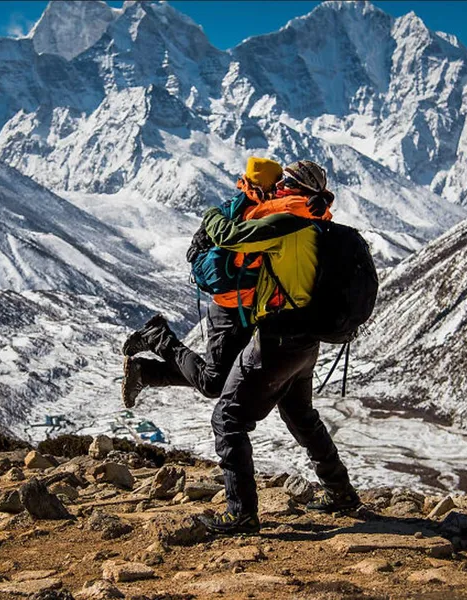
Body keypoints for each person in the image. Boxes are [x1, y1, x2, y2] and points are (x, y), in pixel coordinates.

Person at [192, 160, 361, 536]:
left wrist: (210, 213)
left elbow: (230, 236)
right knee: (301, 414)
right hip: (306, 340)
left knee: (228, 418)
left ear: (291, 187)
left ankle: (241, 513)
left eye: (283, 182)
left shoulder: (285, 222)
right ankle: (341, 493)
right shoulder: (319, 220)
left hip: (278, 337)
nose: (278, 187)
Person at [121, 157, 283, 407]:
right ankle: (157, 338)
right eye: (278, 184)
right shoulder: (256, 218)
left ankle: (146, 372)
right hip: (232, 310)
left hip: (239, 307)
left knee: (227, 378)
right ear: (268, 185)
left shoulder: (235, 208)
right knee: (214, 383)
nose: (281, 189)